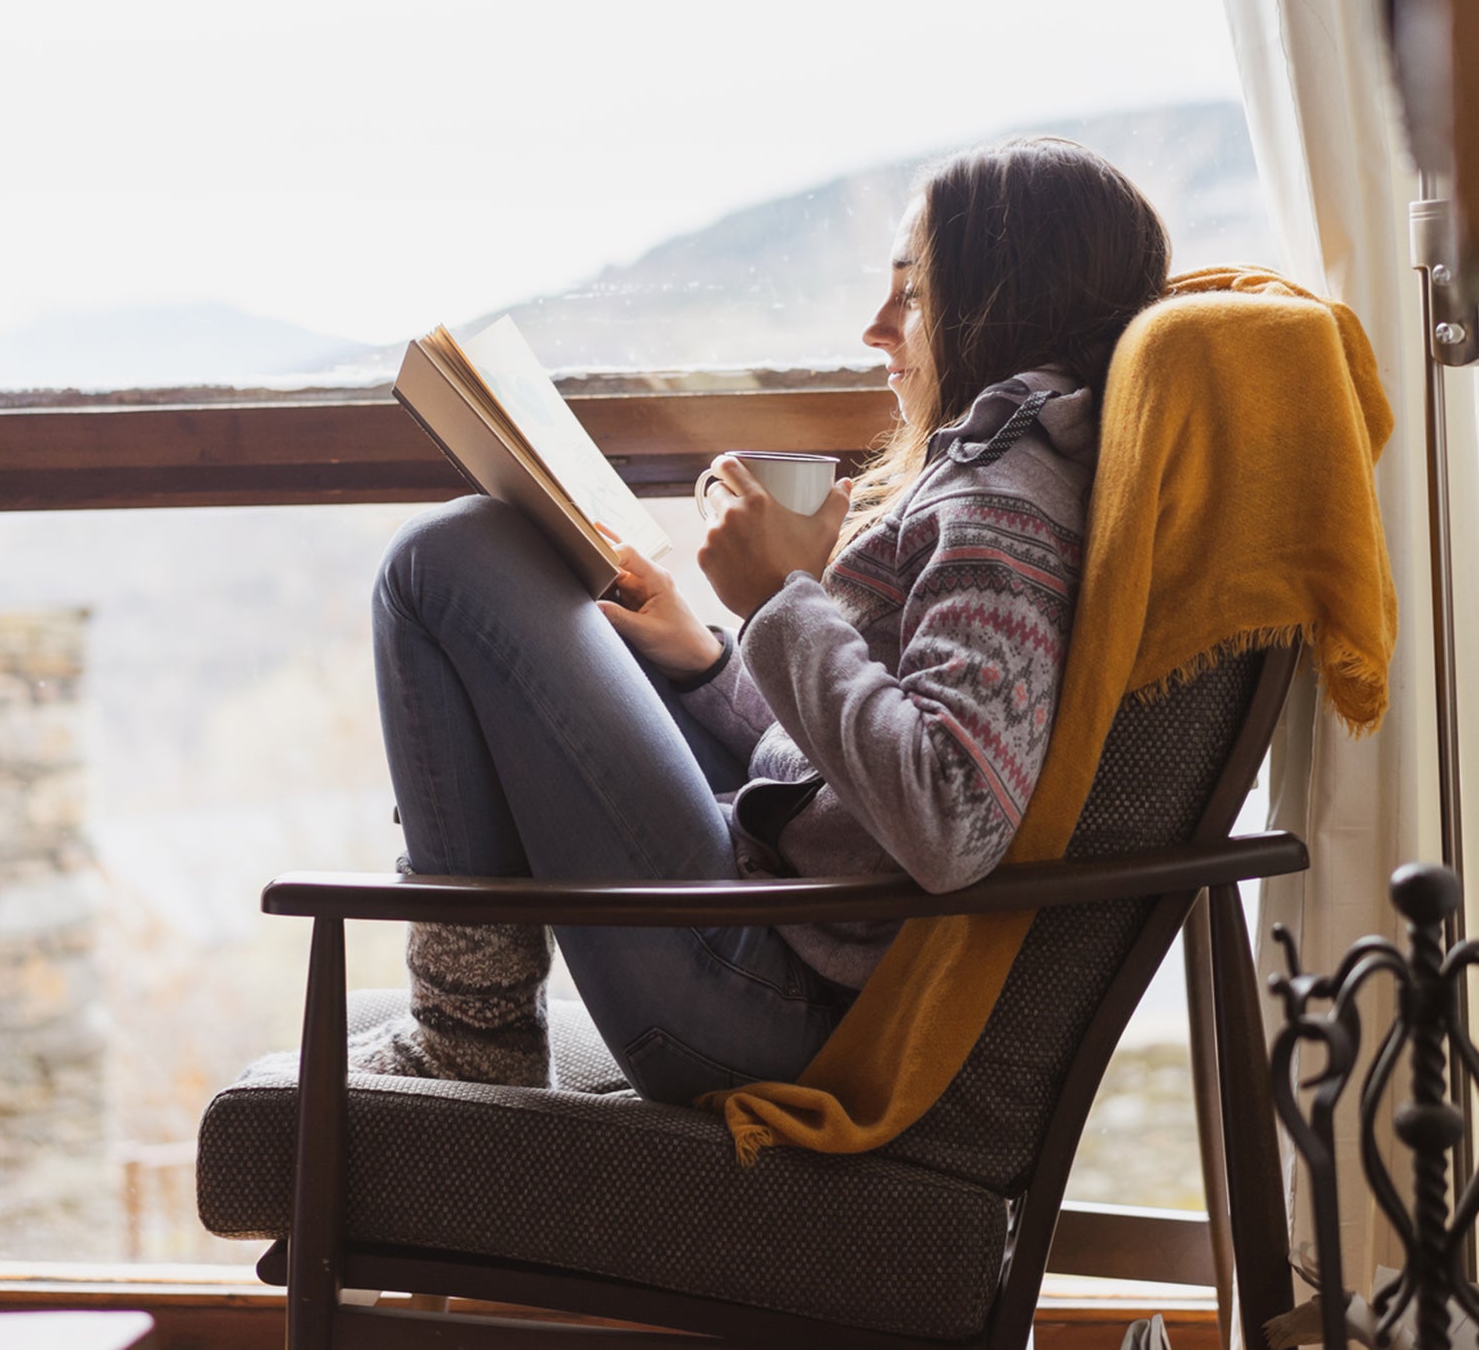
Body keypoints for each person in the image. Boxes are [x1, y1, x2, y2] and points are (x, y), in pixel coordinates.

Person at [354, 137, 1171, 1104]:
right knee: (493, 559)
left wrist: (782, 599)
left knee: (444, 564)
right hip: (787, 927)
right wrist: (706, 661)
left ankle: (467, 1033)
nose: (877, 329)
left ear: (1005, 298)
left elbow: (950, 814)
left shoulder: (1003, 502)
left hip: (772, 1006)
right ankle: (469, 1023)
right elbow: (848, 776)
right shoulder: (1007, 467)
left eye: (910, 294)